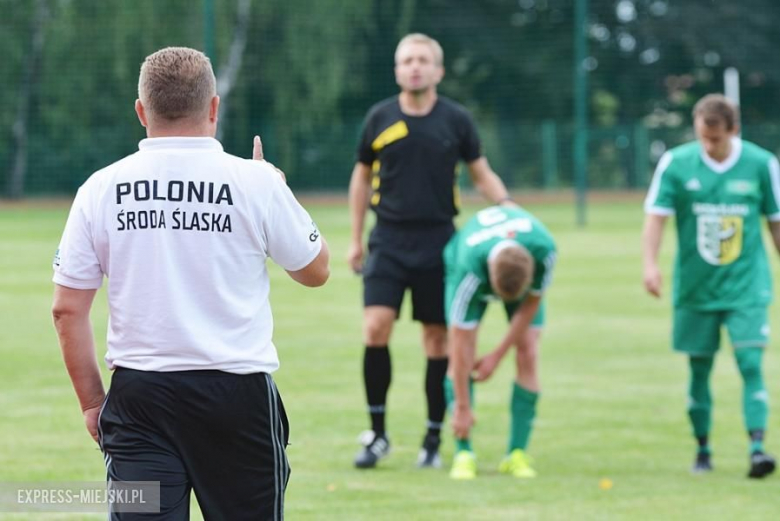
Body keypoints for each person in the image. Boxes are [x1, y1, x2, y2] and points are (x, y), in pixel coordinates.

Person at [51, 47, 329, 520]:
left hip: (139, 399)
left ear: (141, 111)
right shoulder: (254, 182)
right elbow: (314, 271)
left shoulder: (101, 187)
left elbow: (66, 309)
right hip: (237, 396)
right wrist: (277, 187)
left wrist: (93, 403)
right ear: (214, 107)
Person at [347, 33, 514, 469]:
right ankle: (377, 434)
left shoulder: (456, 120)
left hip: (439, 242)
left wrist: (507, 206)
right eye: (407, 60)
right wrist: (355, 237)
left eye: (423, 60)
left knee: (437, 338)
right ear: (397, 70)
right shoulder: (379, 117)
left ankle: (432, 439)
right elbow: (361, 178)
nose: (415, 67)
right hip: (387, 240)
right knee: (375, 327)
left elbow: (481, 173)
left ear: (438, 70)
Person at [642, 93, 778, 479]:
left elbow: (775, 222)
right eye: (703, 136)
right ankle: (703, 450)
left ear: (734, 130)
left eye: (715, 139)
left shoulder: (761, 164)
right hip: (695, 288)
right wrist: (650, 265)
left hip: (746, 286)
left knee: (750, 363)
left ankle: (757, 449)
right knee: (698, 369)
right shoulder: (676, 163)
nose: (708, 145)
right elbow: (656, 217)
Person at [444, 205, 556, 480]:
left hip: (515, 267)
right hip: (463, 263)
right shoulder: (469, 270)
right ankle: (464, 453)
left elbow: (532, 302)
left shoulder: (545, 250)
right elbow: (458, 343)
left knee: (528, 352)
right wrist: (463, 407)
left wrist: (497, 355)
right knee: (463, 357)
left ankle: (517, 454)